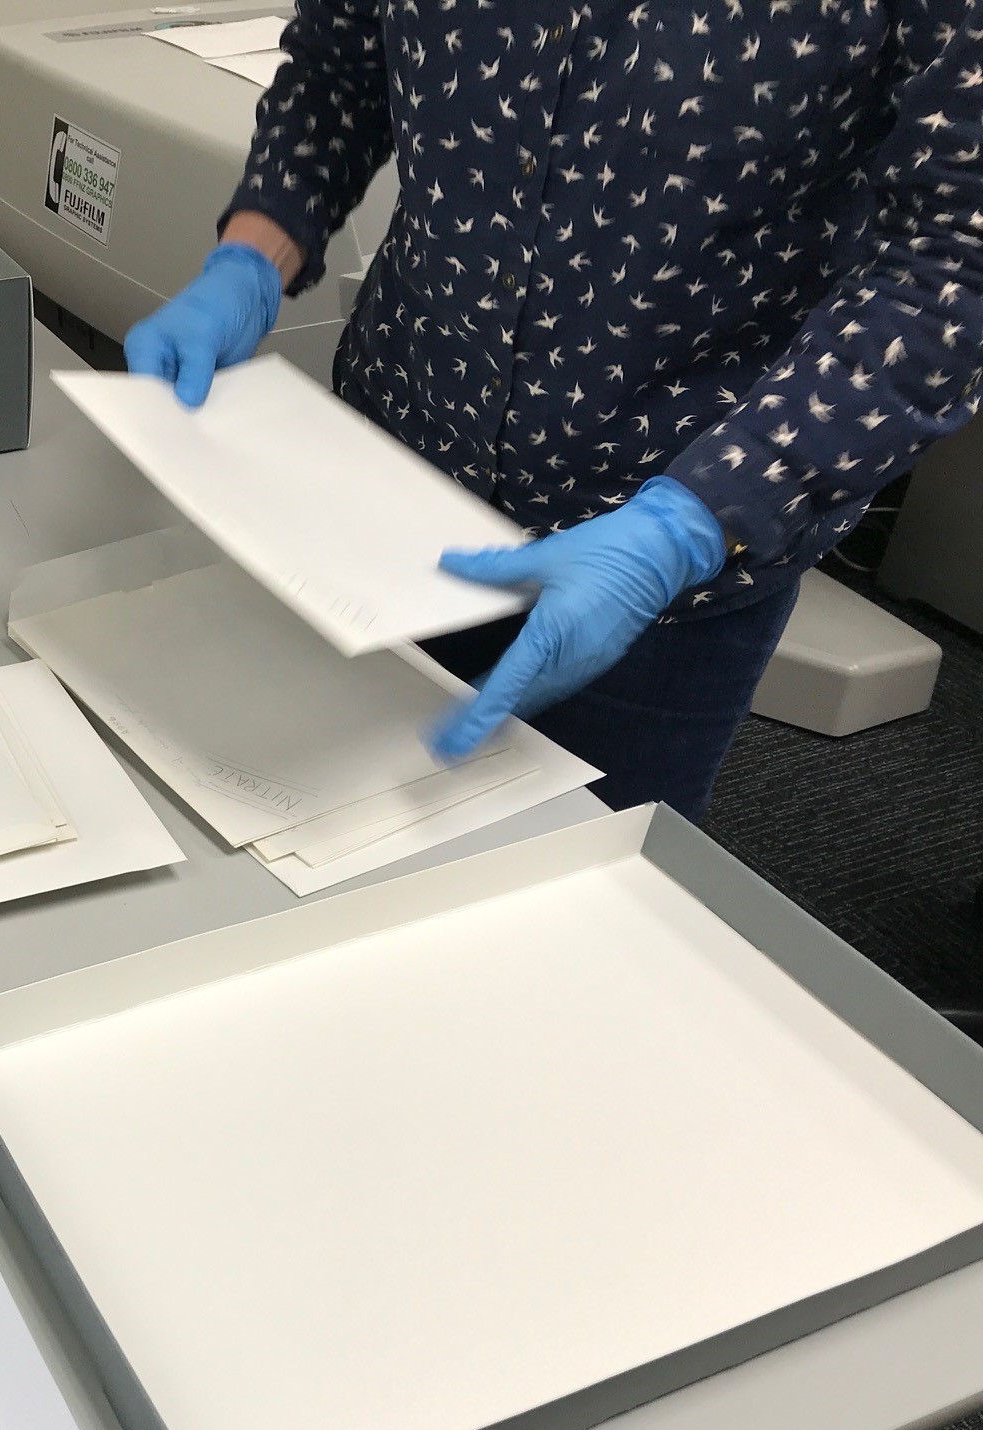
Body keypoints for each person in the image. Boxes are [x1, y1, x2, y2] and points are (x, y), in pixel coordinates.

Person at [126, 1, 983, 820]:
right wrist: (252, 254)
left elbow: (957, 260)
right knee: (292, 822)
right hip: (396, 464)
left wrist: (690, 526)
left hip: (669, 517)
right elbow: (338, 71)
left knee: (574, 875)